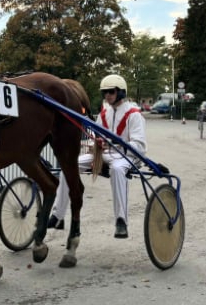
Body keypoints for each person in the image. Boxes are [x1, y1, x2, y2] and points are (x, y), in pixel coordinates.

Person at [49, 74, 146, 239]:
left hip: (126, 157)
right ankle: (58, 216)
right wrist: (97, 142)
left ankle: (121, 221)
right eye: (105, 92)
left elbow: (140, 146)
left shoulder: (134, 115)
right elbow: (98, 135)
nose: (107, 95)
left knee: (116, 169)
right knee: (69, 166)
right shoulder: (104, 113)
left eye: (111, 92)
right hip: (105, 154)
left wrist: (116, 145)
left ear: (121, 92)